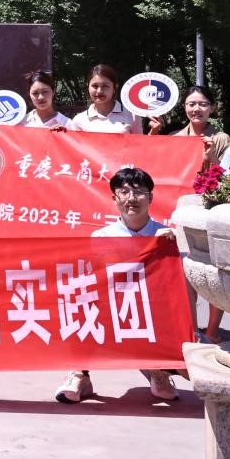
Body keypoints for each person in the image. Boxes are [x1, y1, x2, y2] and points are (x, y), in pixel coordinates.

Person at [55, 167, 179, 404]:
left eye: (139, 192)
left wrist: (166, 248)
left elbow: (176, 284)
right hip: (114, 305)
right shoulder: (102, 236)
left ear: (151, 197)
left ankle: (158, 370)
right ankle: (80, 373)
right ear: (114, 198)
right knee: (80, 302)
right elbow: (100, 279)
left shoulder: (167, 236)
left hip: (154, 307)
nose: (132, 199)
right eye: (124, 192)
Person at [151, 85, 230, 344]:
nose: (197, 109)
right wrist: (153, 133)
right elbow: (154, 165)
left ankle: (213, 331)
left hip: (209, 211)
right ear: (184, 107)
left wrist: (211, 157)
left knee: (212, 271)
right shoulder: (175, 138)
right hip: (181, 211)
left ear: (212, 108)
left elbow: (226, 179)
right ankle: (192, 329)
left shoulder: (222, 139)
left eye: (203, 104)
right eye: (191, 104)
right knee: (185, 270)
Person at [69, 64, 143, 134]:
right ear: (88, 86)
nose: (99, 91)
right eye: (95, 86)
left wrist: (151, 132)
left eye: (105, 86)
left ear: (115, 87)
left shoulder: (132, 116)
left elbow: (139, 142)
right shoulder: (79, 120)